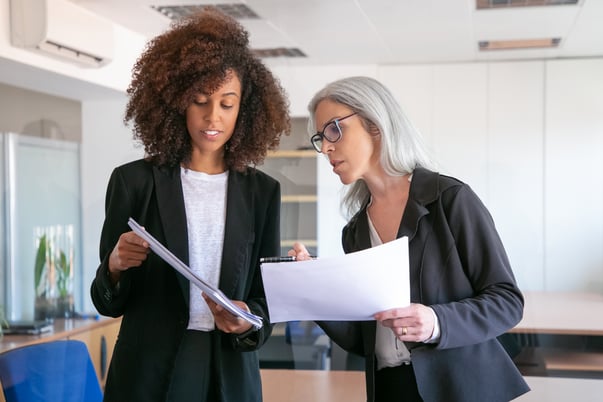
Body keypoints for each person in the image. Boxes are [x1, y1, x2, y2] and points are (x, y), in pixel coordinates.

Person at [90, 7, 290, 402]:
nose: (212, 116)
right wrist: (114, 266)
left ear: (245, 110)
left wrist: (245, 320)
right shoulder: (134, 182)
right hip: (149, 374)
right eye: (199, 100)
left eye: (226, 103)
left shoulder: (262, 193)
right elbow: (107, 301)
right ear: (177, 102)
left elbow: (266, 304)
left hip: (228, 372)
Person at [289, 76, 530, 402]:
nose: (326, 147)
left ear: (374, 124)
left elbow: (507, 302)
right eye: (321, 137)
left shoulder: (450, 199)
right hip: (391, 389)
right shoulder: (356, 232)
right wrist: (311, 284)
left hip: (460, 388)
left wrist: (436, 322)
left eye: (334, 129)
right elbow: (364, 339)